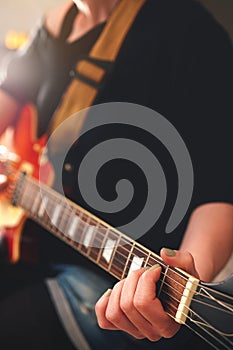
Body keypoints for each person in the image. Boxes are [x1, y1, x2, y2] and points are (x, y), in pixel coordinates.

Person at [0, 0, 232, 349]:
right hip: (27, 241)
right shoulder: (57, 25)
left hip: (106, 289)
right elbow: (10, 94)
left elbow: (219, 188)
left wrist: (187, 275)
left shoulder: (188, 32)